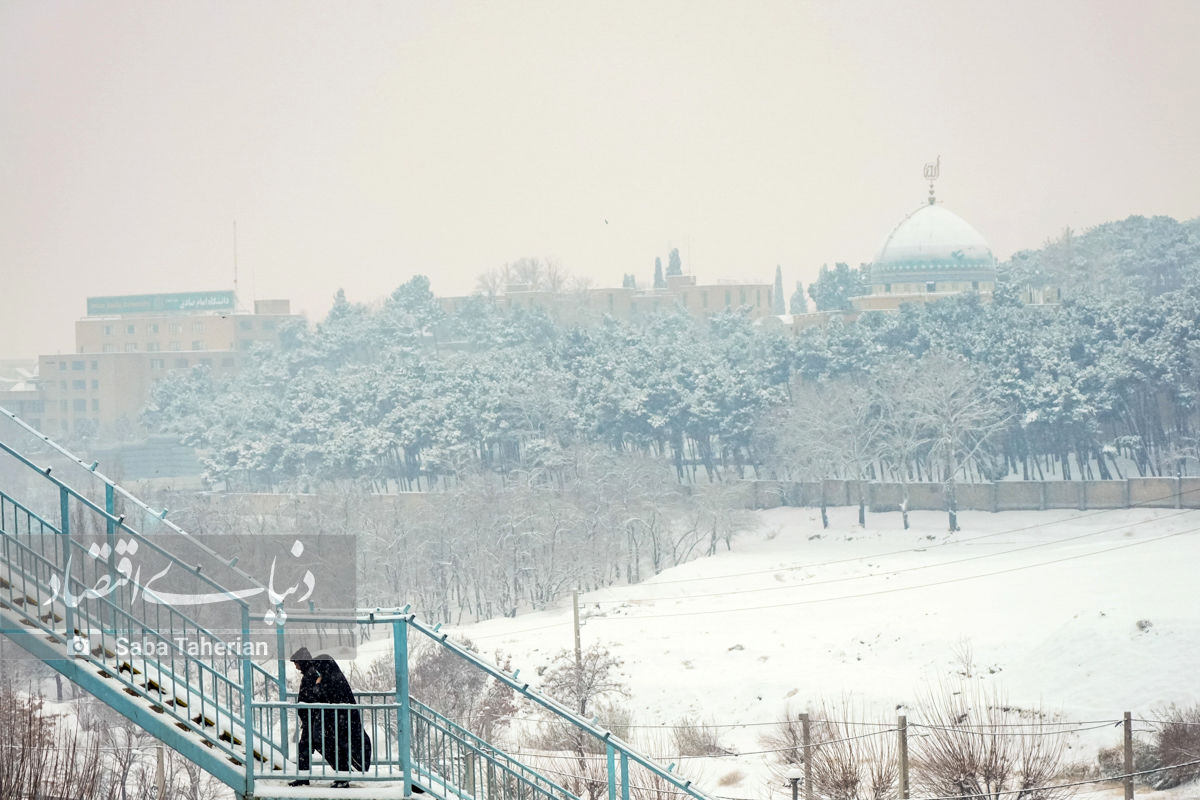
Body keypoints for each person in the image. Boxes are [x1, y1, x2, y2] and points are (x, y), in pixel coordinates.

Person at [289, 647, 372, 788]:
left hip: (318, 719)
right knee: (308, 746)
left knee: (322, 746)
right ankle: (337, 774)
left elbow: (316, 696)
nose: (296, 667)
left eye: (296, 662)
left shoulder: (314, 673)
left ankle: (342, 774)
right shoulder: (315, 672)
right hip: (315, 718)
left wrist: (312, 712)